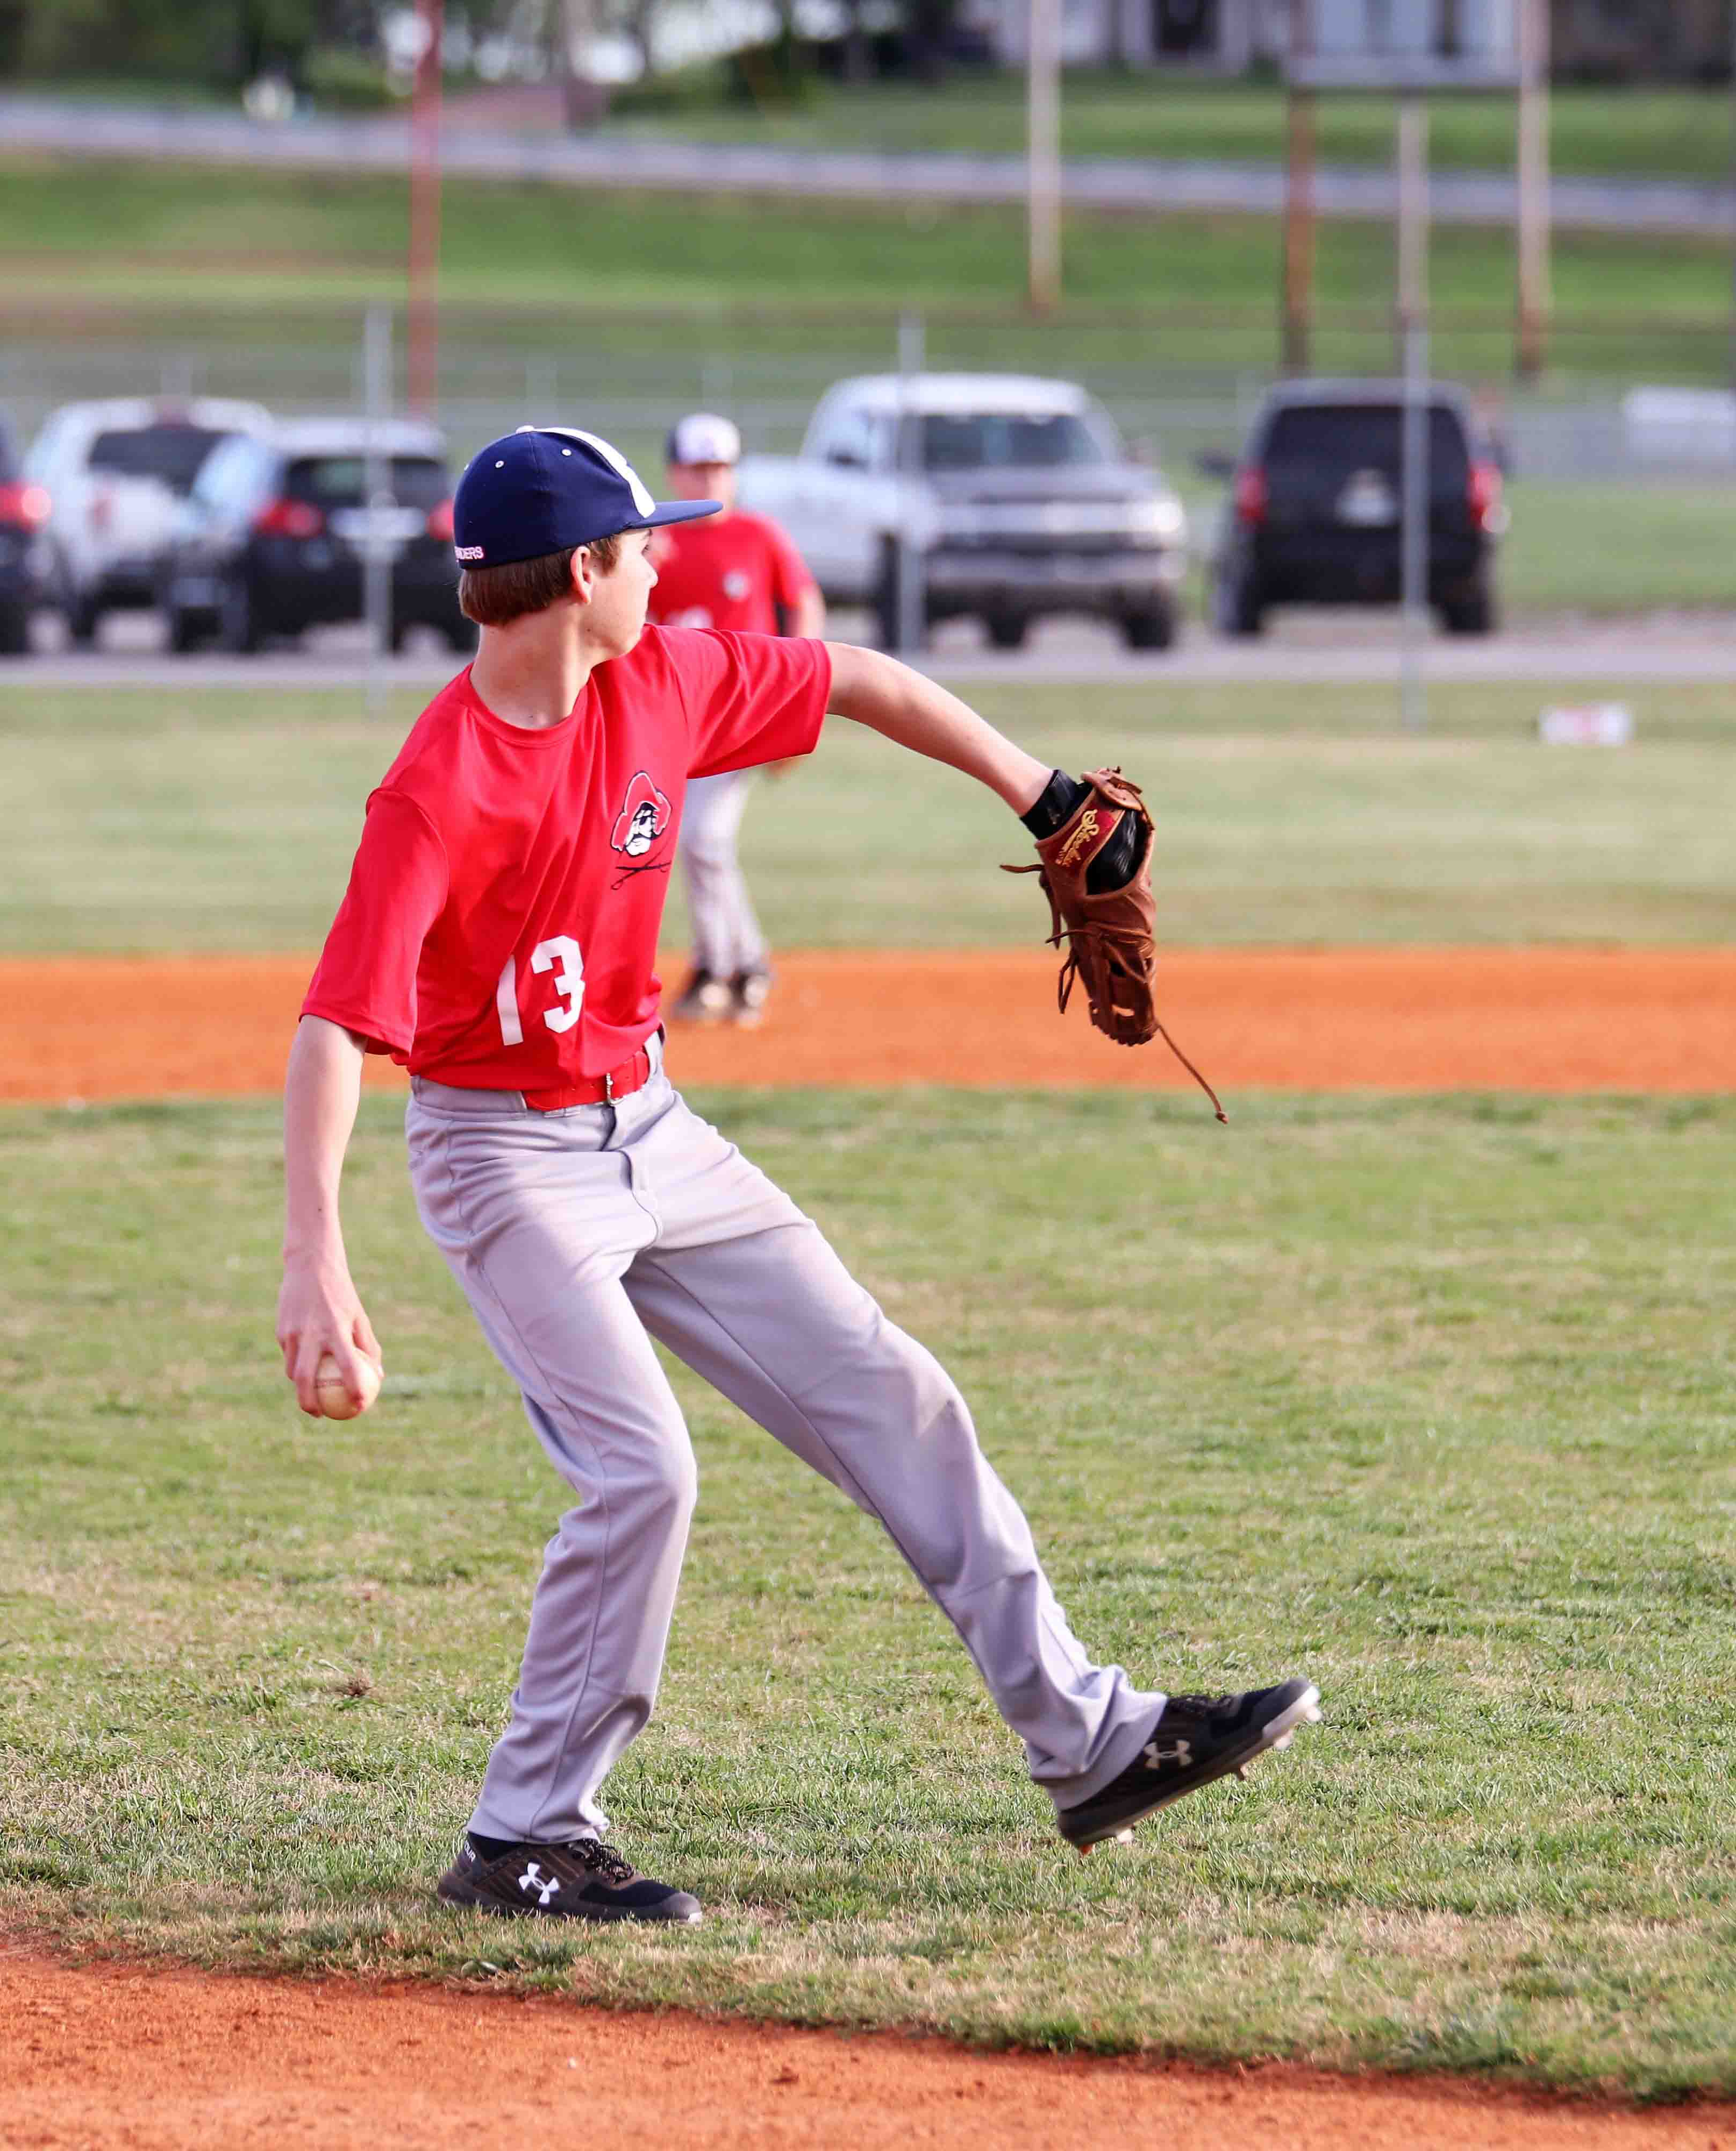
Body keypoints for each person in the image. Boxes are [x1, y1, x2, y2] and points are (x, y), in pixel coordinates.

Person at [277, 425, 1317, 1926]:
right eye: (643, 547)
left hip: (655, 1124)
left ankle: (1091, 1742)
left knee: (893, 1389)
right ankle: (524, 1838)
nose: (666, 564)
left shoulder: (666, 682)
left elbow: (865, 679)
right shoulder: (439, 787)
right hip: (505, 1155)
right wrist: (317, 1252)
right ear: (581, 573)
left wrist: (1039, 791)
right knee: (641, 1473)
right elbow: (335, 1027)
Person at [642, 412, 821, 1028]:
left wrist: (803, 696)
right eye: (697, 467)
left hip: (746, 716)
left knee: (703, 840)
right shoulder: (650, 544)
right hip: (676, 721)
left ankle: (720, 968)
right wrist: (640, 566)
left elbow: (804, 606)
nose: (710, 479)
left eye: (720, 467)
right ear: (673, 473)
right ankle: (743, 963)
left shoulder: (757, 533)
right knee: (699, 845)